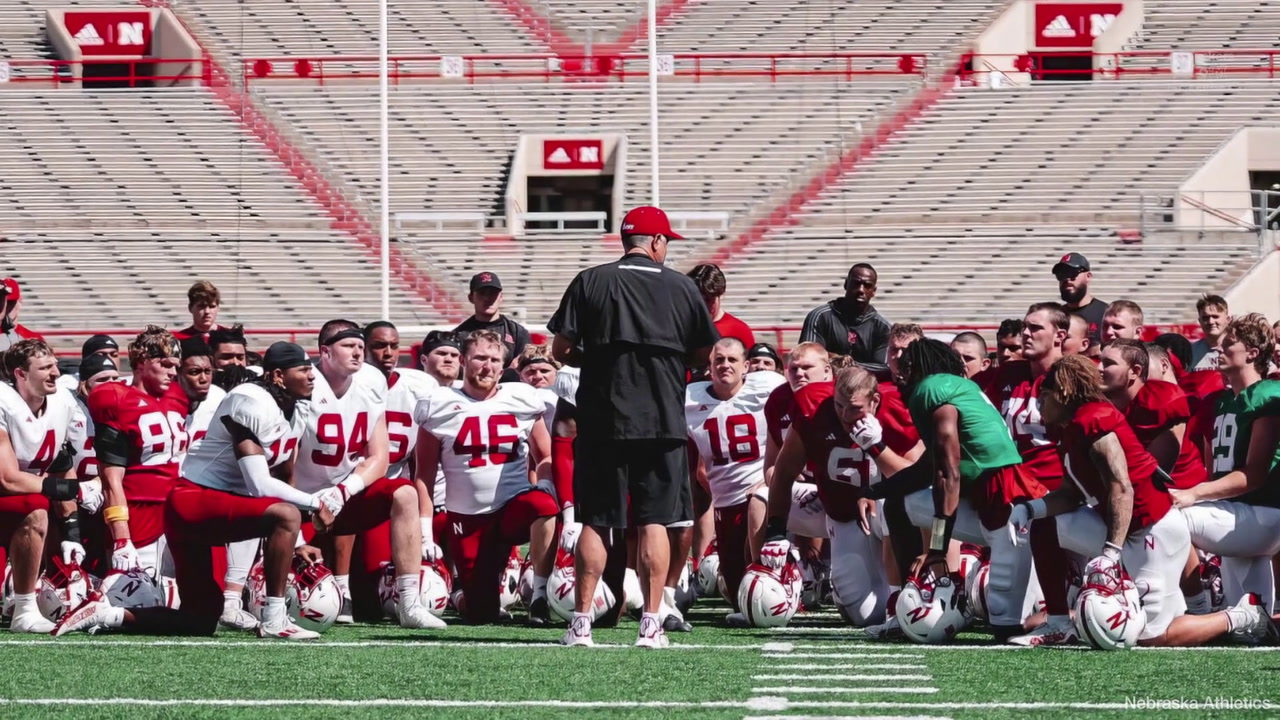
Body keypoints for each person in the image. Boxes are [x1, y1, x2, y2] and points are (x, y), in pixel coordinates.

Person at [54, 342, 325, 639]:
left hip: (216, 503)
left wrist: (298, 538)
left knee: (200, 620)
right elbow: (259, 484)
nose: (312, 376)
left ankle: (106, 613)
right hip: (194, 500)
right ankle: (274, 620)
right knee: (285, 514)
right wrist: (318, 502)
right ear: (278, 376)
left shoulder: (298, 407)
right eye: (303, 370)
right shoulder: (251, 401)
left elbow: (282, 477)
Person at [1009, 355, 1274, 647]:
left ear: (1062, 394)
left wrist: (1110, 553)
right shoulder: (1072, 427)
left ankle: (1244, 614)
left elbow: (1122, 488)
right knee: (1045, 526)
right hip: (1119, 527)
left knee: (1152, 637)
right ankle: (1059, 623)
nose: (1038, 405)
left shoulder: (1094, 420)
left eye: (1043, 396)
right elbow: (1071, 493)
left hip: (1152, 529)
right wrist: (1031, 508)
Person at [548, 205, 718, 649]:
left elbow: (561, 348)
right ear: (657, 242)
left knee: (595, 521)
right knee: (654, 521)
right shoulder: (682, 287)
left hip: (603, 417)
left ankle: (581, 623)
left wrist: (600, 358)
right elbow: (704, 354)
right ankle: (651, 623)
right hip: (661, 418)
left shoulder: (591, 280)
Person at [858, 339, 1044, 642]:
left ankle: (1066, 615)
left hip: (1006, 503)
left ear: (923, 367)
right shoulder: (957, 387)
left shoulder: (931, 389)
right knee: (897, 501)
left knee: (1007, 627)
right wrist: (875, 489)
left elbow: (948, 472)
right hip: (994, 498)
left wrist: (938, 548)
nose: (900, 373)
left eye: (908, 366)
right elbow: (927, 468)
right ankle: (911, 600)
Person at [292, 319, 443, 629]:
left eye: (360, 346)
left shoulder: (371, 381)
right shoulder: (303, 382)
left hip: (344, 498)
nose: (358, 353)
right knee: (298, 594)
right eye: (349, 346)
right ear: (325, 352)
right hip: (299, 505)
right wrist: (297, 521)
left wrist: (342, 492)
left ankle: (409, 603)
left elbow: (379, 456)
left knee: (404, 492)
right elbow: (283, 464)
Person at [415, 330, 557, 626]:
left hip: (511, 509)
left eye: (494, 360)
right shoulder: (437, 403)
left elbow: (545, 456)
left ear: (503, 368)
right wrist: (425, 531)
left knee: (544, 505)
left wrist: (544, 482)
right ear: (464, 361)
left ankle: (540, 595)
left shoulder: (522, 399)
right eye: (480, 357)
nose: (487, 366)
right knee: (482, 614)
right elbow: (424, 476)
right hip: (467, 519)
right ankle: (457, 593)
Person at [770, 364, 923, 630]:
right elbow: (783, 472)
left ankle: (904, 593)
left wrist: (877, 447)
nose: (844, 415)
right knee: (864, 615)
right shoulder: (813, 407)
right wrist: (775, 533)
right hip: (844, 515)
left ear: (874, 400)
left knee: (893, 502)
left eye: (854, 408)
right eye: (839, 406)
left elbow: (915, 478)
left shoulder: (897, 407)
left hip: (890, 512)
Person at [1170, 314, 1280, 613]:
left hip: (1263, 513)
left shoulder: (1269, 396)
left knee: (1167, 517)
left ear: (1253, 353)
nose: (1219, 349)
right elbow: (1215, 466)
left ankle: (1193, 604)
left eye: (1229, 344)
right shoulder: (1221, 401)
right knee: (1252, 622)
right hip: (1234, 512)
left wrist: (1195, 493)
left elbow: (1254, 475)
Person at [684, 338, 785, 624]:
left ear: (746, 367)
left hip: (762, 491)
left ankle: (794, 581)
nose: (724, 365)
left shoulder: (768, 386)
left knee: (762, 584)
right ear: (709, 367)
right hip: (725, 499)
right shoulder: (690, 399)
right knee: (735, 589)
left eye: (731, 360)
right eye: (718, 360)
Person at [87, 326, 190, 579]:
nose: (173, 372)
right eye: (166, 364)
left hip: (179, 510)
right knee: (139, 599)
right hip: (140, 512)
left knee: (184, 601)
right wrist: (122, 538)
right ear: (142, 361)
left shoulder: (177, 395)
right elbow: (111, 478)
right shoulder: (115, 398)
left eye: (175, 365)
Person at [0, 339, 81, 633]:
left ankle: (23, 607)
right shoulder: (3, 400)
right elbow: (7, 478)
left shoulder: (62, 402)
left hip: (17, 501)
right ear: (20, 374)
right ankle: (22, 605)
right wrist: (58, 489)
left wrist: (72, 530)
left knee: (37, 508)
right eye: (45, 367)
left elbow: (62, 462)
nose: (56, 373)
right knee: (36, 506)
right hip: (8, 494)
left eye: (55, 365)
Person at [798, 264, 891, 378]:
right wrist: (836, 358)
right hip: (824, 386)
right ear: (846, 284)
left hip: (865, 389)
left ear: (874, 291)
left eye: (867, 285)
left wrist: (848, 365)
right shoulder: (820, 317)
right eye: (856, 283)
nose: (861, 290)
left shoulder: (882, 327)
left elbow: (885, 368)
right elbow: (806, 356)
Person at [454, 272, 531, 372]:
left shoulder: (517, 332)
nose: (487, 298)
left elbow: (527, 368)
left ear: (501, 297)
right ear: (471, 298)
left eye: (493, 293)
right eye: (482, 293)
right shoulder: (459, 334)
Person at [687, 264, 754, 349]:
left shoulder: (740, 331)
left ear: (720, 294)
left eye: (708, 300)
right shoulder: (683, 327)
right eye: (699, 300)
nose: (704, 306)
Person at [1053, 253, 1107, 350]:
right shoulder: (1056, 316)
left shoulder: (1106, 314)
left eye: (1073, 273)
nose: (1067, 279)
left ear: (1088, 276)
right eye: (1061, 274)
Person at [1, 278, 43, 352]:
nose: (5, 307)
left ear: (20, 301)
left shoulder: (33, 340)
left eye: (10, 302)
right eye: (1, 302)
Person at [1191, 294, 1230, 370]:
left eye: (1215, 317)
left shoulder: (1239, 350)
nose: (1210, 321)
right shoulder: (1191, 352)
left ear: (1227, 319)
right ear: (1200, 321)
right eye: (1205, 318)